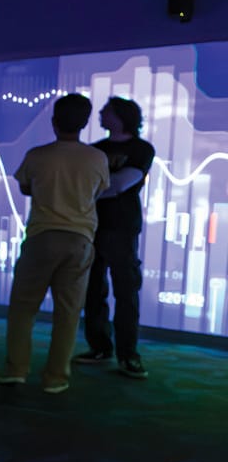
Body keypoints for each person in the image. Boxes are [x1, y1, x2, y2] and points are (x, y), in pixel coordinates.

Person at [0, 93, 109, 394]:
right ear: (85, 123)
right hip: (80, 240)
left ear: (53, 121)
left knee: (23, 308)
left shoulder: (37, 155)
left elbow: (25, 187)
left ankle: (16, 370)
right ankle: (56, 377)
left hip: (41, 237)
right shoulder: (97, 158)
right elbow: (98, 192)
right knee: (68, 312)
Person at [76, 97, 155, 380]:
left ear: (122, 116)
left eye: (106, 111)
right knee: (92, 290)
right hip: (92, 226)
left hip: (122, 228)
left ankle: (128, 354)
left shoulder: (141, 149)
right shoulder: (95, 149)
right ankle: (99, 347)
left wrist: (90, 192)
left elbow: (123, 183)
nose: (101, 114)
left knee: (125, 291)